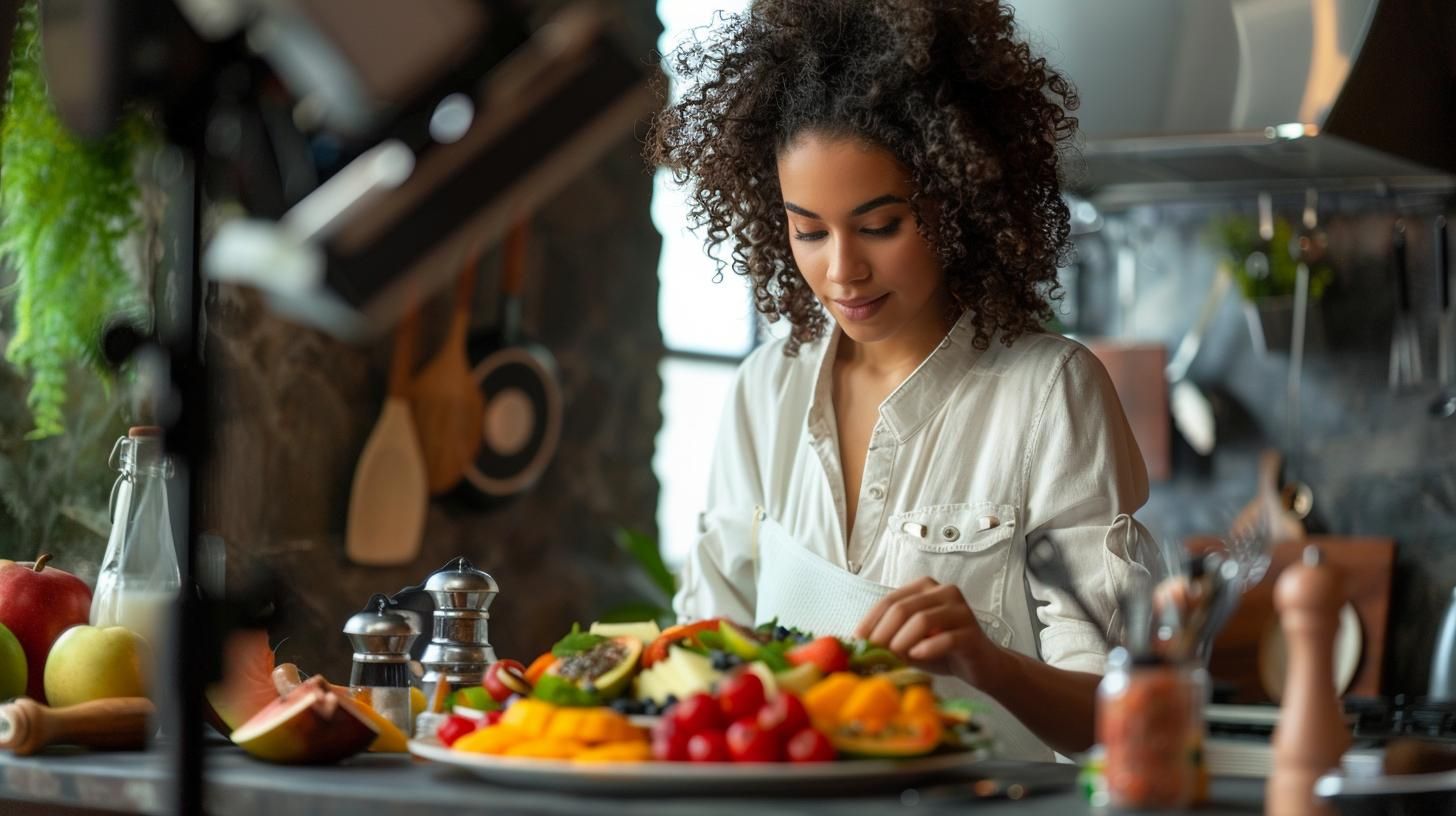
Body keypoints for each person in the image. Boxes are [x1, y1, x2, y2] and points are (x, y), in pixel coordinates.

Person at [648, 0, 1165, 760]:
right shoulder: (767, 389)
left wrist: (987, 666)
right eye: (809, 231)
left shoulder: (1049, 391)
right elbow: (707, 655)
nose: (841, 270)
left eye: (880, 225)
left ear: (959, 202)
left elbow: (1128, 714)